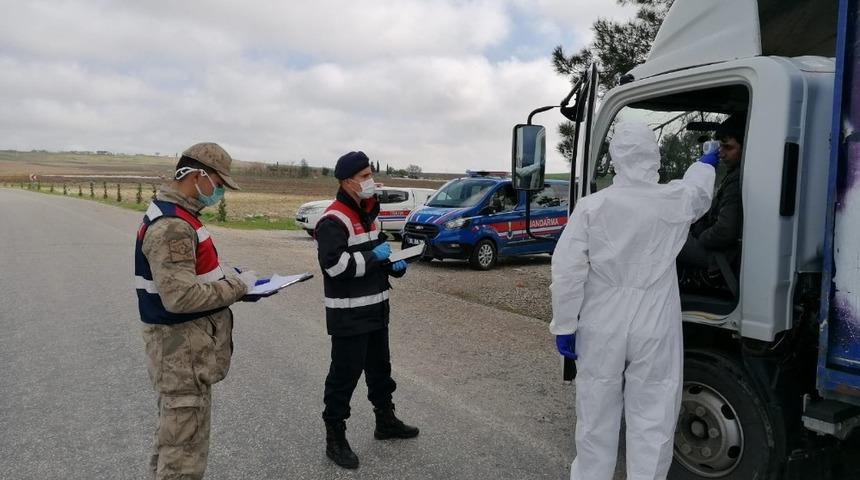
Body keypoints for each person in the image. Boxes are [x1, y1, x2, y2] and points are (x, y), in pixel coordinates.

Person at [550, 122, 716, 480]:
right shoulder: (673, 200)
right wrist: (707, 161)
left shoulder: (594, 205)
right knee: (654, 414)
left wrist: (564, 325)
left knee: (596, 413)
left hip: (602, 318)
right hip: (655, 316)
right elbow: (699, 192)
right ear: (654, 157)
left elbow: (566, 270)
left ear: (615, 160)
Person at [135, 142, 258, 480]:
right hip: (181, 354)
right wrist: (239, 287)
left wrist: (230, 282)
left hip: (184, 352)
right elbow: (180, 297)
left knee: (173, 443)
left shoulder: (178, 216)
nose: (219, 192)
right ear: (195, 175)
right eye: (218, 184)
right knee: (183, 459)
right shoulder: (173, 225)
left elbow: (192, 277)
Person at [315, 151, 419, 470]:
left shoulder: (368, 214)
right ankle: (335, 437)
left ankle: (385, 421)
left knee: (379, 370)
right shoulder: (333, 219)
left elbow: (376, 256)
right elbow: (335, 267)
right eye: (364, 176)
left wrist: (393, 265)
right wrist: (376, 258)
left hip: (376, 309)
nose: (370, 181)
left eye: (370, 174)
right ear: (347, 182)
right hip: (349, 314)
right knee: (344, 377)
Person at [677, 115, 745, 280]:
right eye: (720, 147)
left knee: (671, 238)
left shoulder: (737, 179)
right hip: (722, 250)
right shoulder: (734, 174)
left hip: (720, 255)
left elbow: (725, 230)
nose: (721, 154)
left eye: (728, 148)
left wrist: (700, 238)